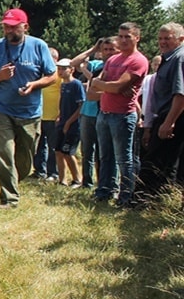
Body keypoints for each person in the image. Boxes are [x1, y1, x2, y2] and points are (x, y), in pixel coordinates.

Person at [0, 8, 57, 207]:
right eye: (6, 27)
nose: (9, 31)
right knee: (3, 153)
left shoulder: (38, 46)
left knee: (25, 160)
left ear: (25, 27)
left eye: (13, 27)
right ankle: (9, 198)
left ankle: (14, 180)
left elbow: (52, 75)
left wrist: (35, 85)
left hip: (30, 112)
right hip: (1, 108)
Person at [89, 22, 148, 208]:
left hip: (122, 115)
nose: (123, 40)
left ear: (137, 38)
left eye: (127, 36)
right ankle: (104, 191)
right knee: (105, 156)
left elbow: (116, 86)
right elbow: (94, 86)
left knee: (124, 159)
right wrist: (109, 87)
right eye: (120, 36)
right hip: (104, 113)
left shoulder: (138, 61)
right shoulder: (113, 60)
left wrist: (106, 86)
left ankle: (126, 197)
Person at [135, 23, 184, 205]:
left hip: (172, 117)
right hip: (164, 116)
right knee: (164, 161)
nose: (162, 42)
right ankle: (157, 202)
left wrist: (169, 122)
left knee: (158, 161)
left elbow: (180, 94)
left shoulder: (179, 58)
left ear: (180, 39)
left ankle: (148, 201)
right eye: (160, 38)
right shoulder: (168, 58)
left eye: (167, 38)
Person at [70, 37, 117, 189]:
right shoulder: (96, 64)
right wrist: (93, 49)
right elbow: (73, 63)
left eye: (111, 50)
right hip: (87, 112)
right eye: (105, 49)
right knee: (86, 151)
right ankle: (87, 182)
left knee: (103, 153)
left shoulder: (117, 67)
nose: (108, 53)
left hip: (103, 113)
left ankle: (104, 185)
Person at [54, 58, 85, 187]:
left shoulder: (76, 84)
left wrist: (68, 123)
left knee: (68, 152)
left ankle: (77, 179)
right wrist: (60, 116)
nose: (60, 71)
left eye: (64, 68)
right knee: (58, 151)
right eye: (59, 68)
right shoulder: (62, 84)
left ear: (71, 70)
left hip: (73, 125)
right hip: (62, 122)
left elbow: (81, 106)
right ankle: (62, 179)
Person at [32, 47, 61, 181]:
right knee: (38, 146)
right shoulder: (39, 73)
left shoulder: (59, 75)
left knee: (52, 147)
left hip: (53, 116)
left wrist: (60, 114)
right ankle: (39, 170)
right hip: (38, 115)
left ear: (55, 59)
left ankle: (53, 173)